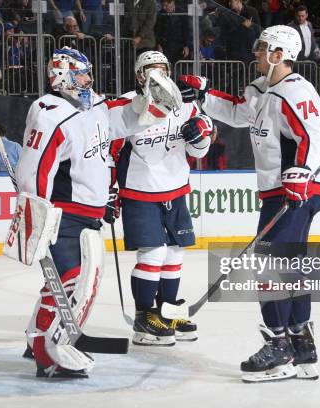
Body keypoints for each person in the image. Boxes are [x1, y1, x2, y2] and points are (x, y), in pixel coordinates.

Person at [178, 25, 320, 382]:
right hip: (281, 189)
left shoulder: (296, 90)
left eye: (262, 48)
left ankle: (279, 349)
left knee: (271, 267)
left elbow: (314, 136)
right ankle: (301, 345)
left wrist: (300, 173)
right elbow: (238, 112)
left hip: (297, 189)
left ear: (280, 54)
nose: (256, 52)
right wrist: (203, 95)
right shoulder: (261, 89)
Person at [15, 47, 183, 378]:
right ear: (61, 75)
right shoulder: (49, 112)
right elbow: (33, 171)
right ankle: (47, 352)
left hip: (87, 214)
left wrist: (153, 103)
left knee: (72, 282)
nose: (88, 80)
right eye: (81, 74)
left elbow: (128, 118)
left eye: (88, 73)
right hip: (62, 214)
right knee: (70, 281)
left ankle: (39, 336)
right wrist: (37, 214)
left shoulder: (93, 108)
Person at [109, 51, 212, 346]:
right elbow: (111, 151)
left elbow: (198, 151)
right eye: (152, 71)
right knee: (152, 253)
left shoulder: (184, 104)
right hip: (140, 190)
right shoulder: (127, 105)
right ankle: (145, 318)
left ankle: (166, 311)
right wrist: (109, 190)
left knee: (175, 253)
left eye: (163, 70)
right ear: (141, 75)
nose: (159, 76)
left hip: (176, 188)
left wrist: (201, 135)